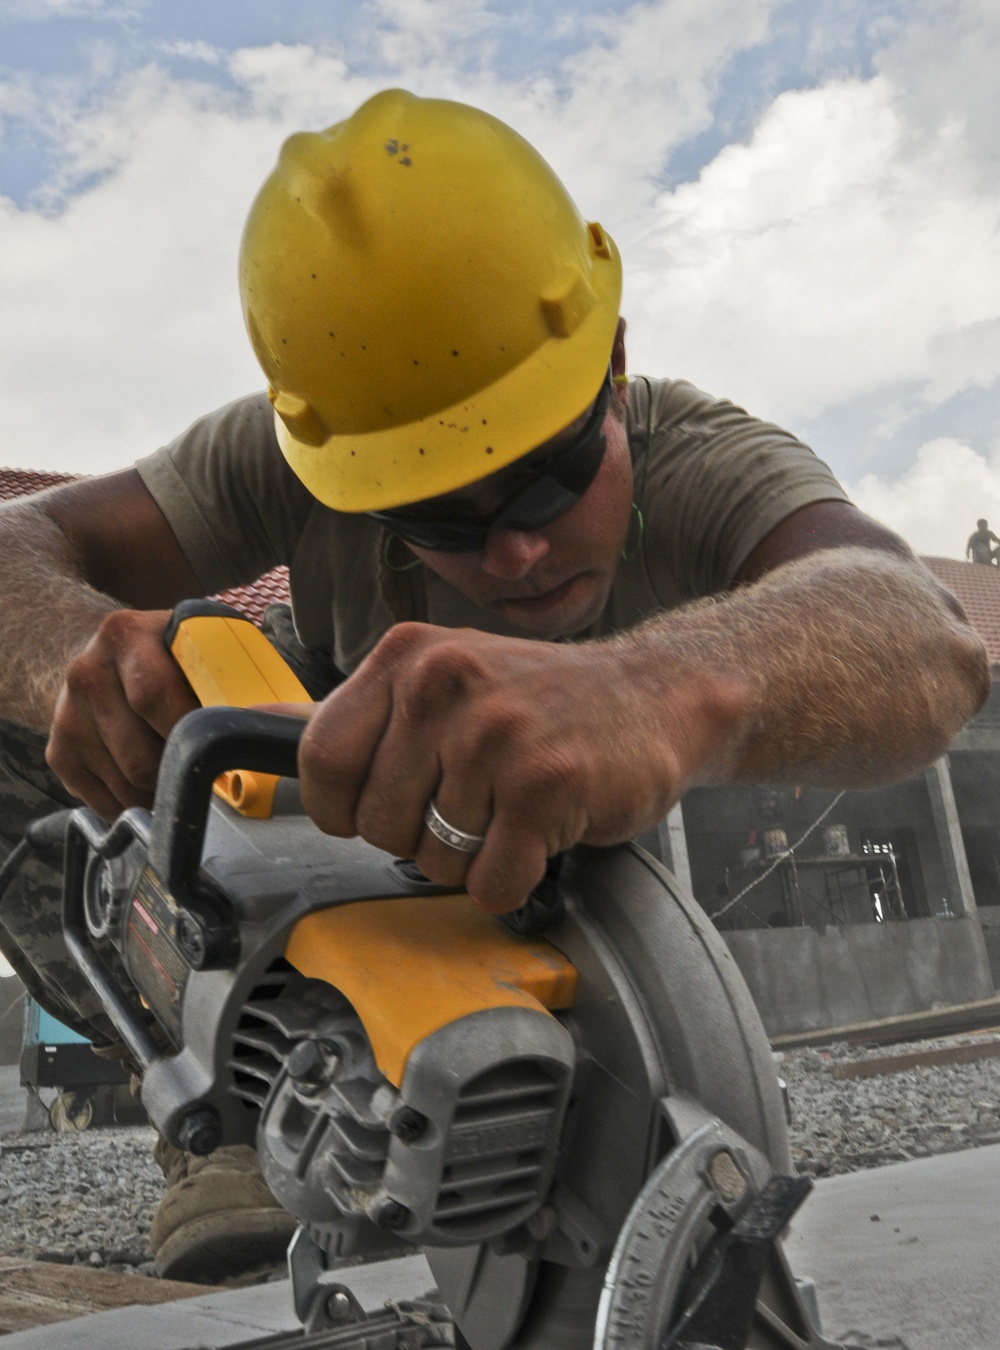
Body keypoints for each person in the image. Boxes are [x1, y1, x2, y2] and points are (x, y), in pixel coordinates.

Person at [0, 90, 988, 1280]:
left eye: (548, 479)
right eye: (437, 517)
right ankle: (225, 1104)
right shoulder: (284, 460)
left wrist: (650, 690)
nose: (514, 553)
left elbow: (924, 636)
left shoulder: (704, 458)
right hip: (330, 807)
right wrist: (81, 658)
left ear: (612, 370)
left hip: (547, 865)